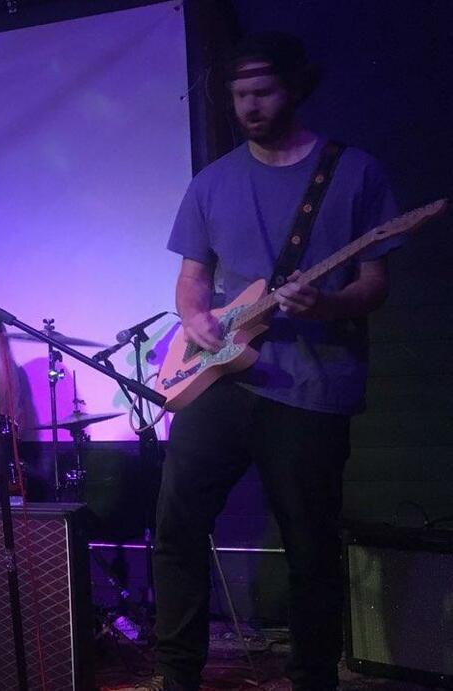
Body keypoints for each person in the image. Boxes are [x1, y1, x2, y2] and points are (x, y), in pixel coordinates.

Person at [150, 33, 398, 691]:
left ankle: (313, 678)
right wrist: (195, 318)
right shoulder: (212, 182)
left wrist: (327, 304)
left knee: (310, 547)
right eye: (239, 95)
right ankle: (177, 675)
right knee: (176, 527)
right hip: (219, 378)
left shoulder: (355, 172)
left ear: (294, 89)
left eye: (261, 92)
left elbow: (374, 284)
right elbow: (192, 279)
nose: (249, 107)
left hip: (311, 385)